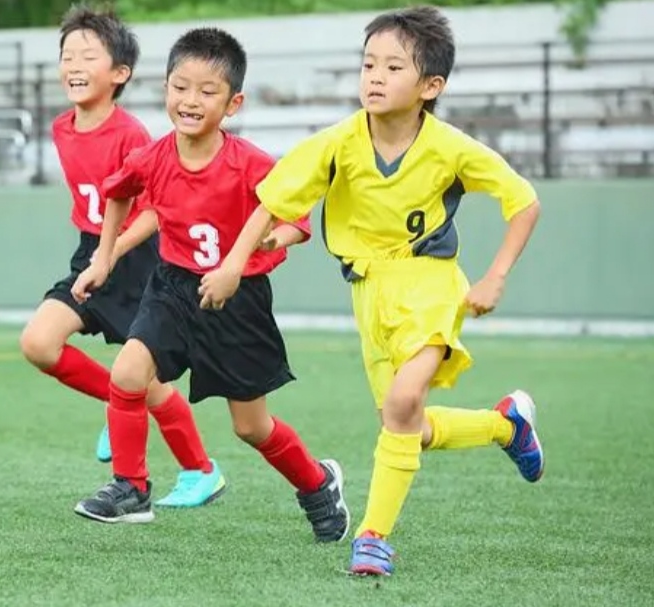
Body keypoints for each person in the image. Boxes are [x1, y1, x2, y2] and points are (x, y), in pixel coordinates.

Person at [201, 5, 545, 576]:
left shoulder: (451, 148)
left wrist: (495, 276)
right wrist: (236, 263)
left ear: (431, 86)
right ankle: (506, 425)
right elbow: (273, 203)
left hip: (431, 283)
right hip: (368, 292)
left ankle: (372, 536)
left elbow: (524, 202)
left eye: (393, 67)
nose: (375, 77)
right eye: (368, 65)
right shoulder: (337, 143)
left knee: (404, 404)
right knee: (403, 421)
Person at [70, 26, 349, 540]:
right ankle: (130, 488)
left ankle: (317, 484)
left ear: (234, 103)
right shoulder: (153, 157)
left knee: (251, 428)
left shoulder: (252, 164)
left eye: (207, 91)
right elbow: (117, 195)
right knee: (129, 372)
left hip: (238, 303)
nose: (190, 100)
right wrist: (104, 259)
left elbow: (298, 223)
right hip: (173, 286)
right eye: (180, 87)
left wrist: (265, 246)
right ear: (165, 89)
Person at [18, 4, 226, 509]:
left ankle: (200, 470)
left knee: (144, 381)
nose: (74, 65)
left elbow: (155, 210)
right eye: (67, 55)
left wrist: (109, 255)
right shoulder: (61, 128)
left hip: (136, 261)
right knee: (39, 343)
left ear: (120, 73)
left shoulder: (132, 135)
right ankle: (120, 407)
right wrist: (95, 255)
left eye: (88, 55)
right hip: (90, 253)